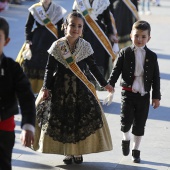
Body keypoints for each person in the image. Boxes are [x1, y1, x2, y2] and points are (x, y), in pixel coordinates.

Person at [32, 11, 113, 165]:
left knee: (79, 121)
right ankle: (69, 152)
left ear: (83, 29)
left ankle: (79, 151)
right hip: (60, 88)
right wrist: (45, 87)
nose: (76, 28)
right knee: (64, 121)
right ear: (65, 26)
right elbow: (49, 68)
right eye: (72, 25)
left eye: (79, 26)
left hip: (81, 89)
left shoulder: (86, 46)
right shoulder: (57, 45)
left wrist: (104, 83)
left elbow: (93, 68)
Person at [108, 20, 161, 163]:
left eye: (143, 36)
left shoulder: (152, 56)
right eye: (137, 35)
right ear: (131, 35)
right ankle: (126, 138)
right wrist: (110, 85)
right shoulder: (125, 53)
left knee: (139, 124)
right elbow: (116, 70)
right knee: (125, 121)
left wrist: (156, 97)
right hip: (128, 92)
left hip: (144, 94)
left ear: (149, 38)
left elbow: (156, 77)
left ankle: (136, 150)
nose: (139, 39)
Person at [0, 17, 36, 170]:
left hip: (3, 128)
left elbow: (27, 97)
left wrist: (28, 126)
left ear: (6, 41)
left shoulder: (12, 69)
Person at [17, 0, 67, 94]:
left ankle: (46, 90)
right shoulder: (35, 8)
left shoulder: (57, 9)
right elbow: (28, 26)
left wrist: (61, 43)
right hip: (37, 40)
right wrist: (28, 41)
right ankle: (29, 90)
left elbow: (61, 29)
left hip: (51, 40)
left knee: (49, 64)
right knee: (30, 63)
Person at [72, 0, 118, 90]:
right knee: (82, 59)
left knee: (97, 60)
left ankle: (95, 89)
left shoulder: (103, 2)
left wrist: (111, 33)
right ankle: (84, 89)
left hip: (99, 37)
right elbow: (73, 18)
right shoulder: (79, 2)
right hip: (83, 34)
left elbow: (107, 20)